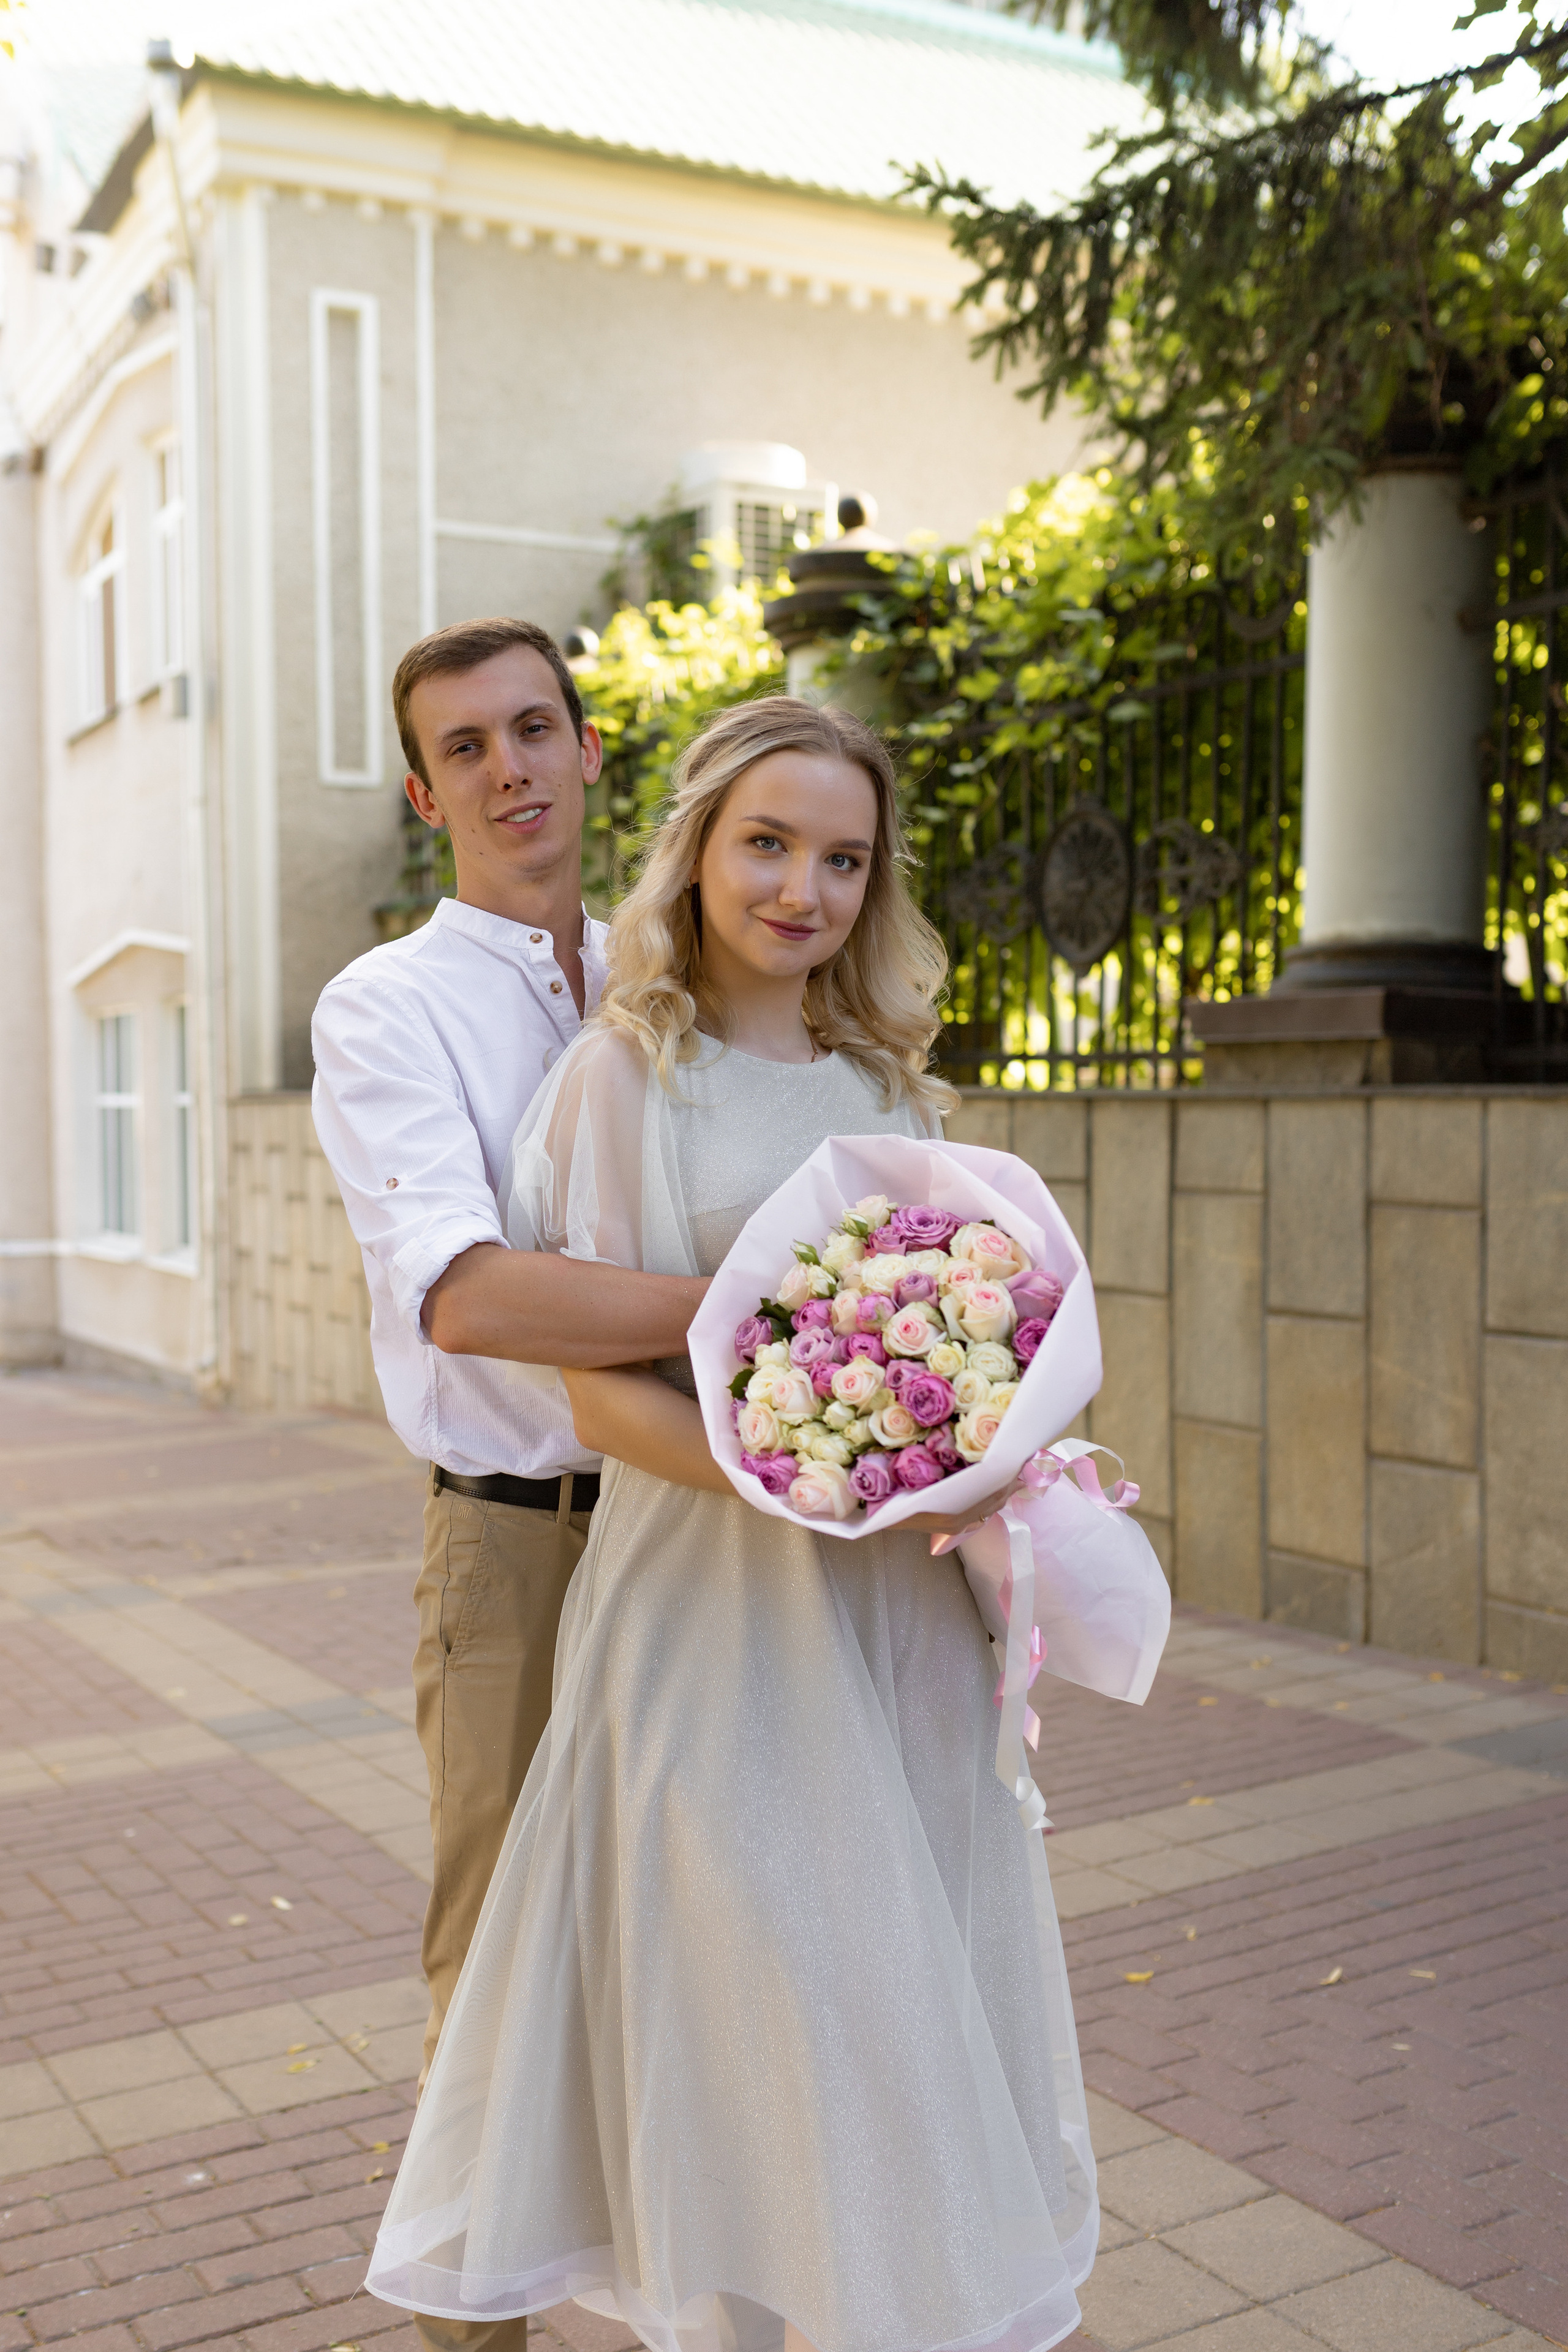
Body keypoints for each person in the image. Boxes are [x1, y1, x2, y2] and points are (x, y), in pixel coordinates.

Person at [366, 696, 1099, 2352]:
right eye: (769, 843)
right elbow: (602, 1402)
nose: (804, 889)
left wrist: (967, 1461)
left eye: (844, 858)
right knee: (757, 2013)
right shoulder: (627, 1078)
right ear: (697, 848)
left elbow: (970, 1339)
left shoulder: (890, 1089)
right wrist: (815, 1482)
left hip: (894, 1624)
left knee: (890, 2015)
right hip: (707, 1608)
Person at [309, 621, 709, 2253]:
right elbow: (466, 1300)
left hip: (703, 1531)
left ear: (590, 747)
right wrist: (745, 1305)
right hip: (516, 1540)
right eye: (466, 747)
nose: (509, 767)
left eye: (533, 729)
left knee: (711, 1962)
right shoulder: (384, 1008)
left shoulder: (677, 975)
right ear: (426, 792)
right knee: (499, 1980)